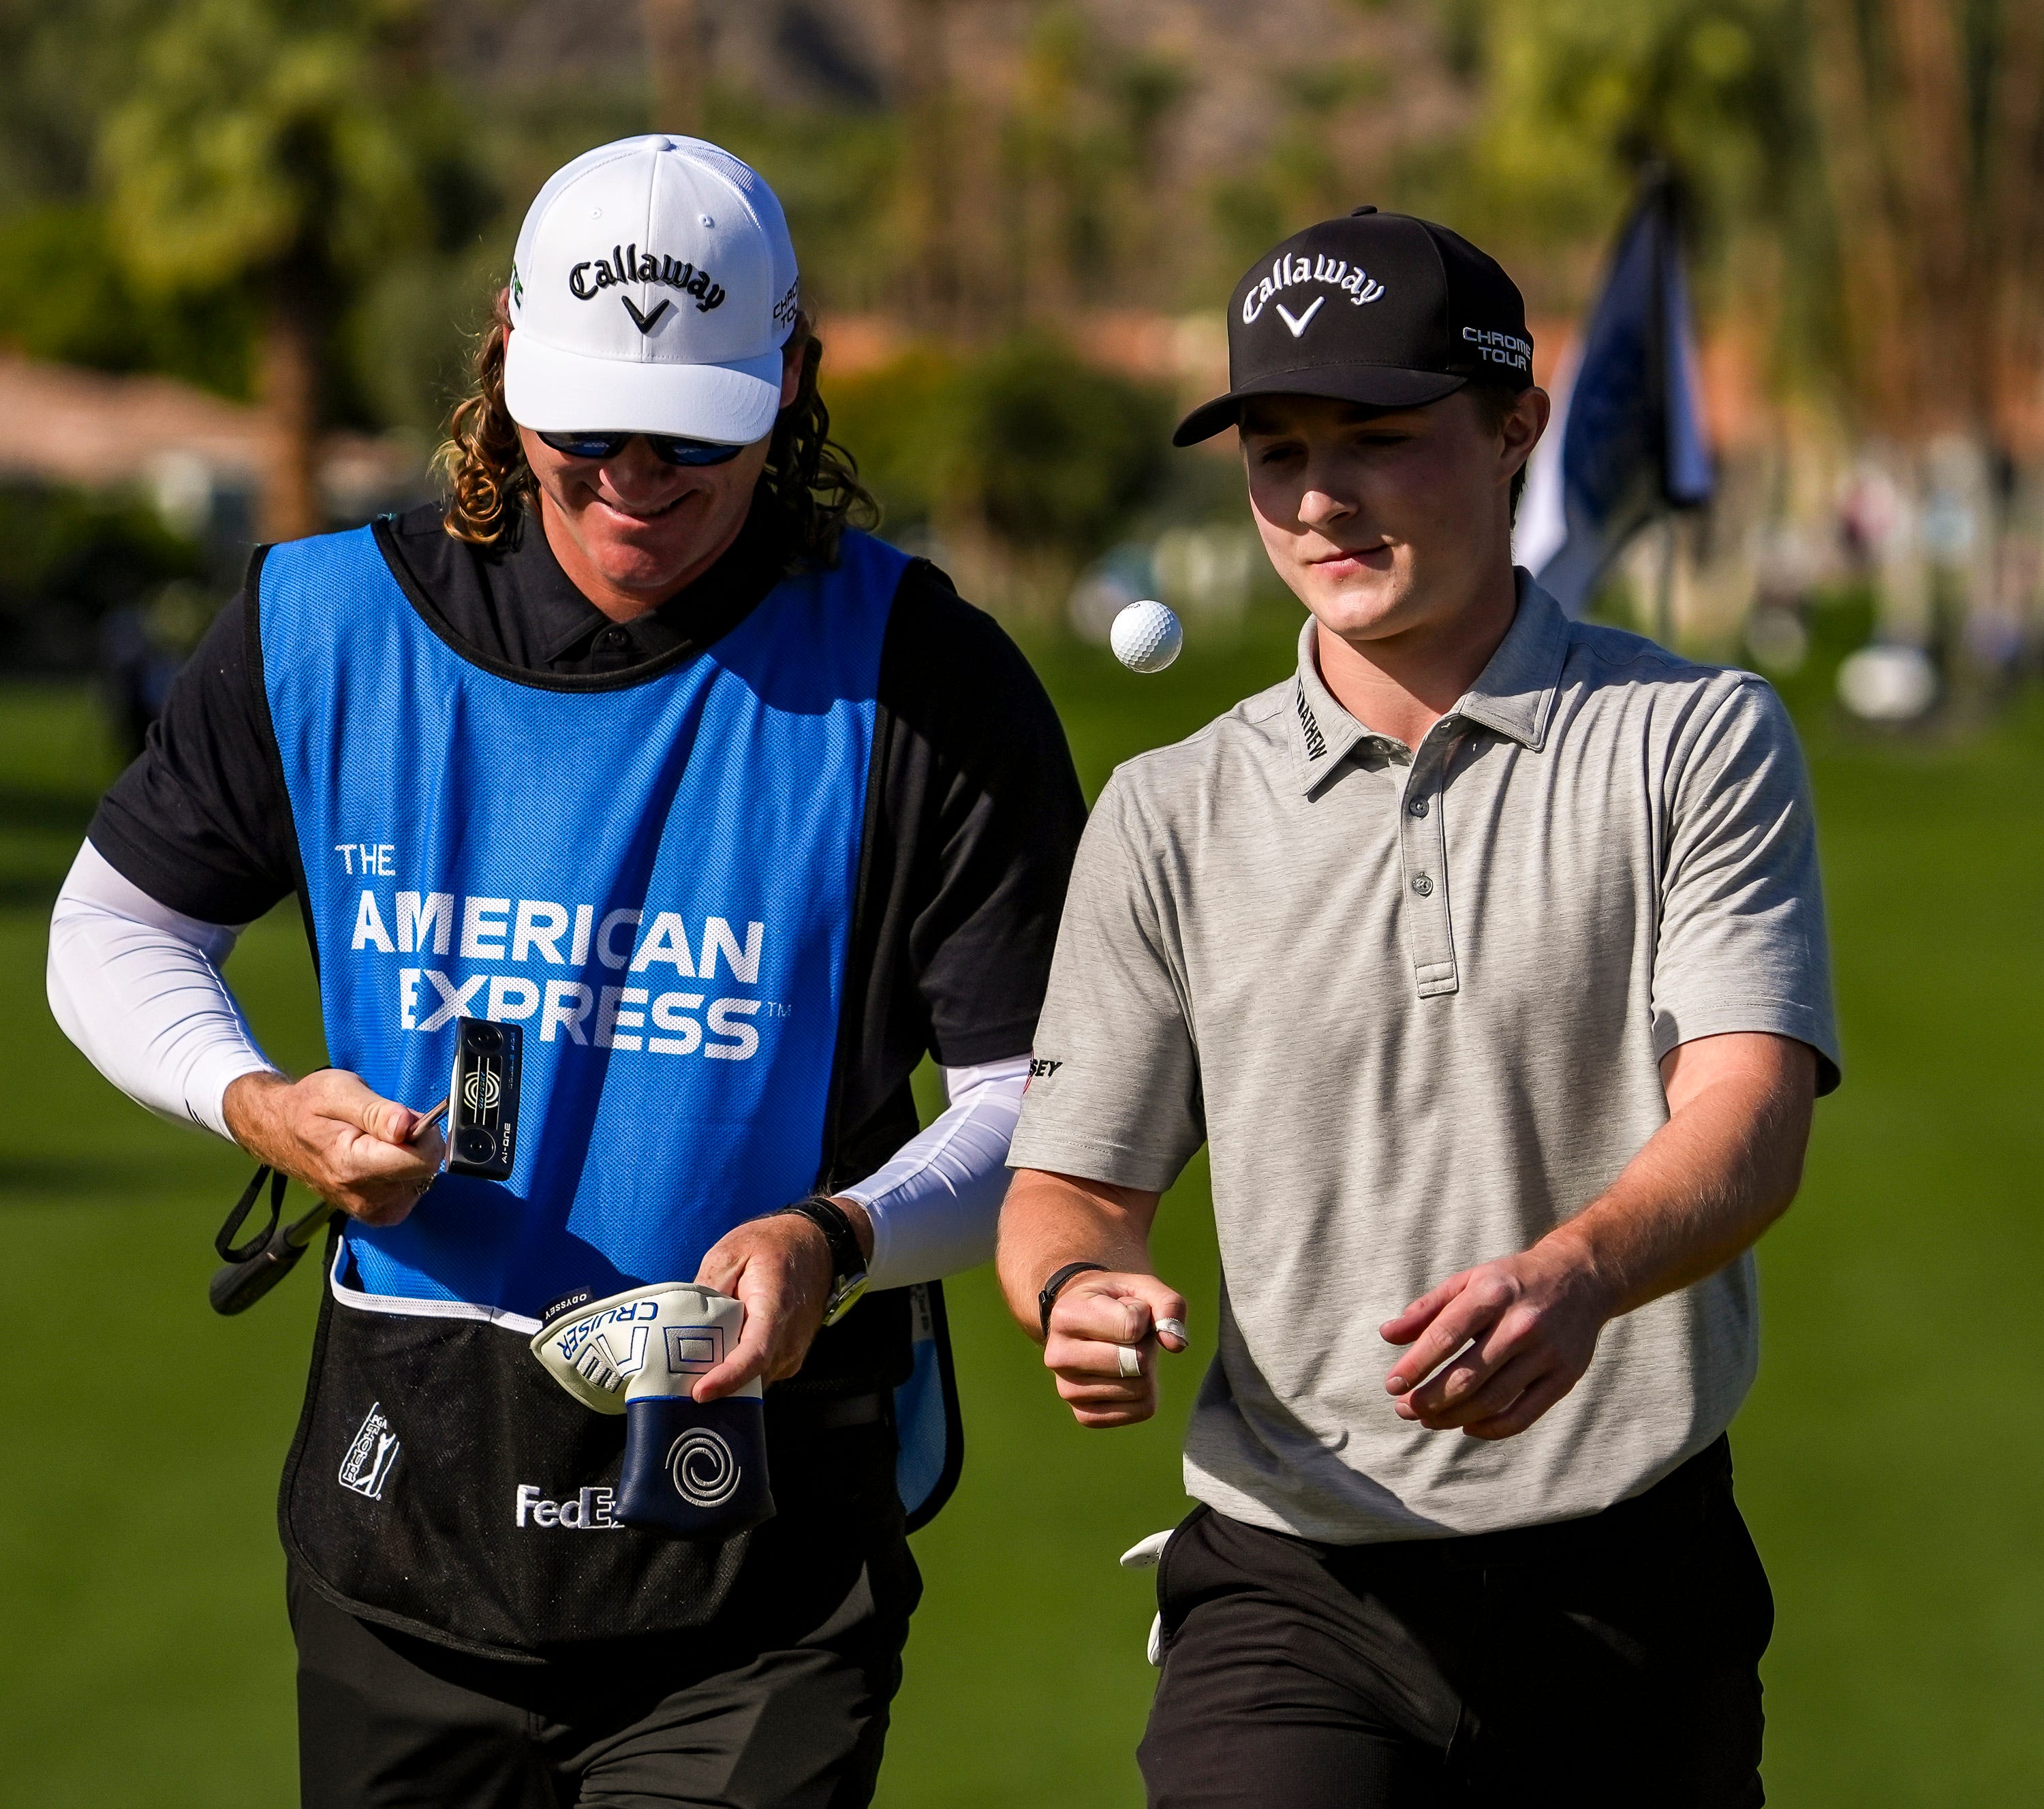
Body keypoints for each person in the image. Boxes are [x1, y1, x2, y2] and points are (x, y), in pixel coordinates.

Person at [48, 134, 1085, 1808]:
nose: (632, 479)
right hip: (402, 1541)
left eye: (691, 438)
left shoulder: (927, 681)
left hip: (760, 1573)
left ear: (791, 383)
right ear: (506, 361)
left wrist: (840, 1236)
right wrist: (254, 1101)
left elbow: (1043, 1104)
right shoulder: (322, 626)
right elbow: (114, 929)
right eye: (586, 427)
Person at [997, 206, 1838, 1807]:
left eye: (1377, 438)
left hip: (1630, 1584)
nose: (1320, 496)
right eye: (1278, 452)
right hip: (1294, 1586)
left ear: (1517, 427)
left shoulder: (1696, 737)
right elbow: (1071, 1187)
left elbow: (1750, 1110)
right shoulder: (1167, 811)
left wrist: (1581, 1272)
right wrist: (1076, 1290)